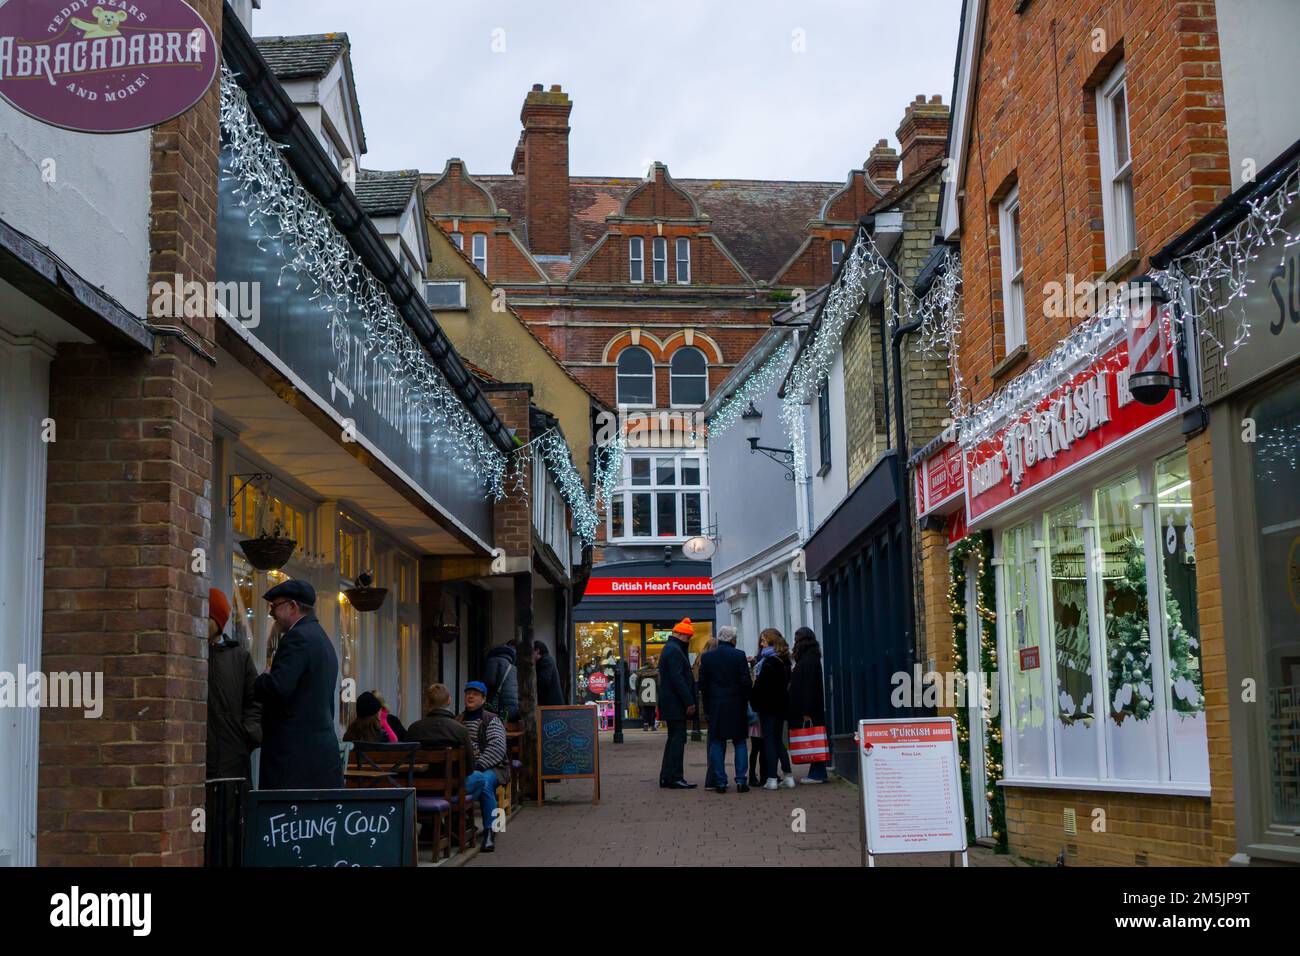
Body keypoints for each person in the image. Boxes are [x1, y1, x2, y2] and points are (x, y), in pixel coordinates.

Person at [253, 579, 343, 790]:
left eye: (274, 606)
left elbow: (278, 688)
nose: (271, 613)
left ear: (293, 606)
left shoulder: (297, 638)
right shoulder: (322, 638)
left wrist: (262, 679)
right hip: (318, 757)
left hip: (294, 760)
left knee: (285, 820)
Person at [206, 587, 262, 782]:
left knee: (231, 810)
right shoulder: (190, 653)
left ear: (219, 621)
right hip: (197, 758)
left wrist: (246, 737)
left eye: (207, 616)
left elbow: (255, 701)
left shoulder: (240, 658)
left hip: (233, 758)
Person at [698, 625, 752, 793]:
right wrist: (745, 700)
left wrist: (707, 705)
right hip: (736, 704)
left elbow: (703, 685)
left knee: (717, 743)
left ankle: (720, 782)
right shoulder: (739, 655)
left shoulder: (707, 658)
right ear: (733, 639)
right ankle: (741, 781)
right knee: (740, 742)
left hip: (715, 705)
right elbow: (746, 682)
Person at [459, 680, 511, 852]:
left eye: (475, 693)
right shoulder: (458, 719)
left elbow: (497, 748)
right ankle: (465, 825)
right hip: (466, 768)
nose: (470, 696)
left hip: (494, 767)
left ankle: (490, 830)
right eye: (468, 693)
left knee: (485, 783)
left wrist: (478, 767)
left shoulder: (491, 719)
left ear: (483, 698)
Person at [750, 628, 795, 790]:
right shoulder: (784, 661)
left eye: (763, 640)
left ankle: (771, 778)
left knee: (769, 740)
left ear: (770, 641)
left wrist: (753, 699)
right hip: (781, 705)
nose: (761, 643)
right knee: (778, 740)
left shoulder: (769, 662)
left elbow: (761, 688)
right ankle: (788, 775)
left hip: (768, 706)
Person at [657, 618, 698, 789]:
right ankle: (674, 777)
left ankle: (667, 777)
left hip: (671, 702)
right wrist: (689, 701)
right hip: (676, 704)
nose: (688, 641)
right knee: (678, 740)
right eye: (688, 638)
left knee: (673, 739)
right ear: (681, 634)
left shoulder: (670, 648)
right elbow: (678, 679)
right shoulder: (675, 650)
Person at [406, 683, 475, 784]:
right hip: (452, 786)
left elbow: (406, 762)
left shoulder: (413, 729)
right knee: (480, 779)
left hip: (420, 784)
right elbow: (469, 768)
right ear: (449, 701)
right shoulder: (460, 730)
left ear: (427, 702)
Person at [789, 627, 829, 783]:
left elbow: (809, 686)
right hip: (811, 707)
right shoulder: (810, 658)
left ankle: (818, 773)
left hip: (810, 708)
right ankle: (817, 771)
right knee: (815, 739)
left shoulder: (809, 660)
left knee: (814, 739)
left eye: (796, 639)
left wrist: (806, 710)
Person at [746, 633, 769, 787]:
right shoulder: (759, 662)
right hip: (757, 711)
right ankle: (754, 775)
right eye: (761, 640)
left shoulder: (761, 660)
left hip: (761, 709)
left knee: (762, 746)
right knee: (756, 747)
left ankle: (763, 775)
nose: (762, 643)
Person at [483, 641, 519, 721]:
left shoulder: (493, 661)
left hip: (499, 705)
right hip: (514, 707)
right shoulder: (513, 667)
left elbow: (490, 682)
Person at [533, 641, 564, 707]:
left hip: (550, 705)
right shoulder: (547, 659)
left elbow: (543, 681)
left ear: (537, 651)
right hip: (551, 704)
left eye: (531, 652)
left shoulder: (545, 661)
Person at [636, 661, 659, 731]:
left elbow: (637, 684)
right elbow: (658, 684)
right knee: (652, 710)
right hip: (653, 692)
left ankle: (645, 725)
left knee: (644, 709)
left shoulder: (640, 673)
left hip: (643, 693)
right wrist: (658, 693)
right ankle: (652, 725)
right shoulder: (656, 673)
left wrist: (638, 693)